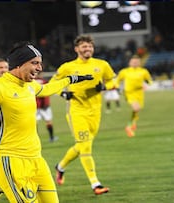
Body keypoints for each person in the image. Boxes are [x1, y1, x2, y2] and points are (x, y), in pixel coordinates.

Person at [0, 41, 93, 202]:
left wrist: (71, 79)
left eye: (40, 64)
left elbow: (47, 89)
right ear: (18, 65)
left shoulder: (29, 85)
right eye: (34, 63)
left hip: (36, 158)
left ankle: (0, 185)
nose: (40, 68)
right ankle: (2, 182)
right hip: (8, 158)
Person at [51, 35, 115, 195]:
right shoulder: (68, 67)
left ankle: (60, 166)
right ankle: (95, 184)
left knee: (80, 146)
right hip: (76, 111)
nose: (87, 49)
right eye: (84, 47)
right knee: (85, 146)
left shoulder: (102, 65)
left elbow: (113, 81)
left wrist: (104, 87)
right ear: (76, 49)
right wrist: (63, 94)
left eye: (90, 47)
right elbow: (53, 83)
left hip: (95, 112)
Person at [116, 55, 153, 137]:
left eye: (137, 62)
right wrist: (118, 88)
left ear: (139, 63)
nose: (135, 63)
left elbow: (149, 80)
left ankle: (133, 123)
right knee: (136, 108)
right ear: (130, 63)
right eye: (133, 62)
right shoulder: (124, 71)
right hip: (129, 93)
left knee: (137, 110)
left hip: (139, 93)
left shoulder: (144, 71)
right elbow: (118, 80)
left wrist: (148, 82)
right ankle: (129, 127)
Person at [35, 73, 58, 142]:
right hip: (45, 106)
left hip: (35, 105)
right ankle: (51, 137)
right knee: (48, 121)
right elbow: (48, 91)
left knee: (34, 123)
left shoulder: (32, 82)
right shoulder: (44, 81)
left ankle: (35, 139)